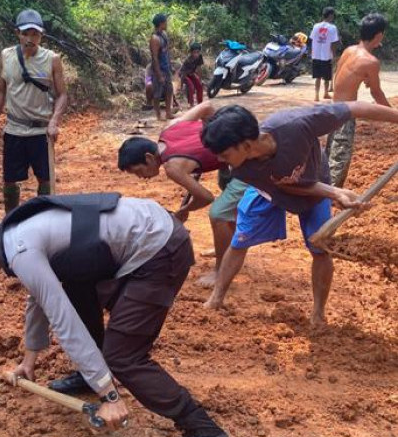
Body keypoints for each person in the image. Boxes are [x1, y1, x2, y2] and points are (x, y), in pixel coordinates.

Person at [0, 194, 236, 437]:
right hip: (148, 228)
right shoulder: (15, 232)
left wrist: (109, 395)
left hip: (158, 247)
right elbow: (38, 296)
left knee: (124, 356)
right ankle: (91, 376)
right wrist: (29, 361)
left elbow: (64, 322)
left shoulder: (21, 250)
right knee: (76, 285)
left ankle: (205, 432)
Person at [200, 101, 398, 325]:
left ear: (246, 145)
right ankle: (216, 299)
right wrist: (334, 192)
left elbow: (356, 108)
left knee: (320, 249)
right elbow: (283, 186)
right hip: (271, 192)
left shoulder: (296, 123)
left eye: (224, 154)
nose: (220, 161)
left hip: (313, 183)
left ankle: (318, 314)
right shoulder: (240, 168)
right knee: (240, 241)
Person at [117, 102, 248, 287]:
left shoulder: (172, 167)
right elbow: (208, 107)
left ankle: (220, 271)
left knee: (218, 213)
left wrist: (184, 211)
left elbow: (206, 197)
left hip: (248, 162)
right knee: (225, 185)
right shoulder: (169, 129)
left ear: (148, 158)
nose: (140, 177)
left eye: (137, 171)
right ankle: (227, 248)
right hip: (234, 156)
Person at [0, 9, 68, 213]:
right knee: (10, 181)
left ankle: (44, 219)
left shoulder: (52, 60)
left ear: (42, 35)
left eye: (35, 34)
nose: (30, 39)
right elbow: (0, 89)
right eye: (26, 33)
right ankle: (11, 219)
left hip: (41, 133)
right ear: (18, 33)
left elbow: (63, 95)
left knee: (46, 180)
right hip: (14, 130)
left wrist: (53, 122)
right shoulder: (7, 56)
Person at [328, 13, 390, 188]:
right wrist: (393, 114)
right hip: (345, 113)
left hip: (333, 108)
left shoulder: (349, 51)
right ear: (378, 35)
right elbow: (376, 94)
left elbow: (339, 76)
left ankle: (322, 188)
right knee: (340, 158)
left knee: (330, 151)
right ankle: (330, 197)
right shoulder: (371, 62)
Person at [310, 7, 340, 102]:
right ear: (330, 15)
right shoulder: (332, 28)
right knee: (327, 77)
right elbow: (334, 43)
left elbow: (312, 39)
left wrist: (312, 51)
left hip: (316, 55)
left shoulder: (316, 26)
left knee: (317, 76)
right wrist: (334, 55)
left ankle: (316, 95)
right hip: (326, 55)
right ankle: (326, 93)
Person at [150, 13, 175, 120]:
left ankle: (168, 113)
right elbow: (154, 58)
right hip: (158, 70)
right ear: (161, 23)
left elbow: (167, 52)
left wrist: (170, 66)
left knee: (169, 90)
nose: (167, 23)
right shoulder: (154, 39)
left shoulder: (164, 35)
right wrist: (159, 74)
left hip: (166, 68)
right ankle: (158, 115)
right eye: (165, 21)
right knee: (157, 94)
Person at [178, 42, 204, 108]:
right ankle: (191, 104)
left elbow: (199, 69)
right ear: (191, 52)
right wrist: (180, 86)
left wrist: (200, 80)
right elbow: (183, 73)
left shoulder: (199, 57)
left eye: (198, 52)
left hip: (191, 73)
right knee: (191, 86)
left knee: (199, 86)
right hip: (184, 74)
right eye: (194, 52)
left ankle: (200, 103)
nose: (196, 54)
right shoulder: (188, 60)